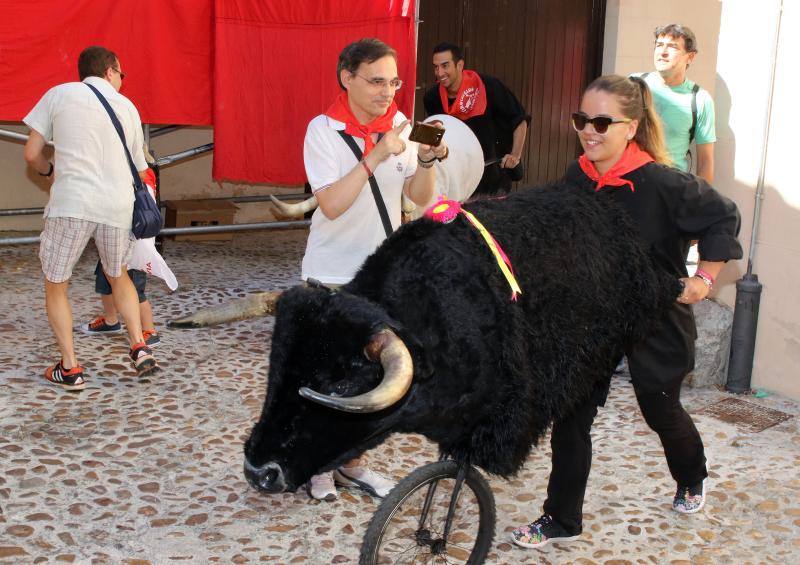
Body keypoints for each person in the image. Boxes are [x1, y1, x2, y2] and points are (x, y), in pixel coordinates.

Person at [511, 75, 741, 550]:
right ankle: (561, 518)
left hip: (655, 313)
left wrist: (702, 280)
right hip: (591, 318)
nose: (588, 131)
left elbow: (723, 215)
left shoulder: (663, 182)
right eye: (581, 120)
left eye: (600, 122)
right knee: (570, 418)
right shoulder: (579, 175)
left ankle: (692, 476)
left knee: (660, 408)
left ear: (631, 126)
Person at [301, 37, 447, 499]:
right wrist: (378, 153)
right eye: (377, 81)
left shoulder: (403, 126)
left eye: (395, 82)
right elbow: (332, 203)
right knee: (328, 374)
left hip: (380, 272)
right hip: (331, 269)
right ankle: (320, 464)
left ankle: (354, 463)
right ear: (348, 78)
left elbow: (420, 197)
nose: (389, 92)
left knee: (371, 377)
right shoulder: (322, 130)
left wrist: (423, 159)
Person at [23, 45, 159, 390]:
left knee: (57, 285)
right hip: (117, 205)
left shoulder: (58, 94)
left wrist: (49, 169)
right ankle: (138, 346)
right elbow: (141, 169)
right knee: (119, 276)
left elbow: (31, 154)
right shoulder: (127, 107)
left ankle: (70, 367)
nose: (122, 83)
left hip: (73, 203)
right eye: (122, 75)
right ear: (111, 70)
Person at [81, 162, 178, 346]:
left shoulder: (140, 175)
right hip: (114, 240)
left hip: (133, 247)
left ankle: (149, 329)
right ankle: (111, 321)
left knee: (135, 291)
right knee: (104, 283)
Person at [423, 42, 530, 196]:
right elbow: (436, 135)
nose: (439, 73)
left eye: (445, 66)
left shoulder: (488, 86)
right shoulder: (432, 97)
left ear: (460, 65)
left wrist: (515, 155)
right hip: (456, 181)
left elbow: (519, 120)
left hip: (493, 179)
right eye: (436, 67)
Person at [632, 24, 715, 182]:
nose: (662, 52)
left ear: (690, 57)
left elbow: (706, 161)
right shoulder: (634, 84)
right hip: (629, 182)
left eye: (672, 46)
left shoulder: (700, 99)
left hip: (671, 189)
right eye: (659, 45)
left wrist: (701, 202)